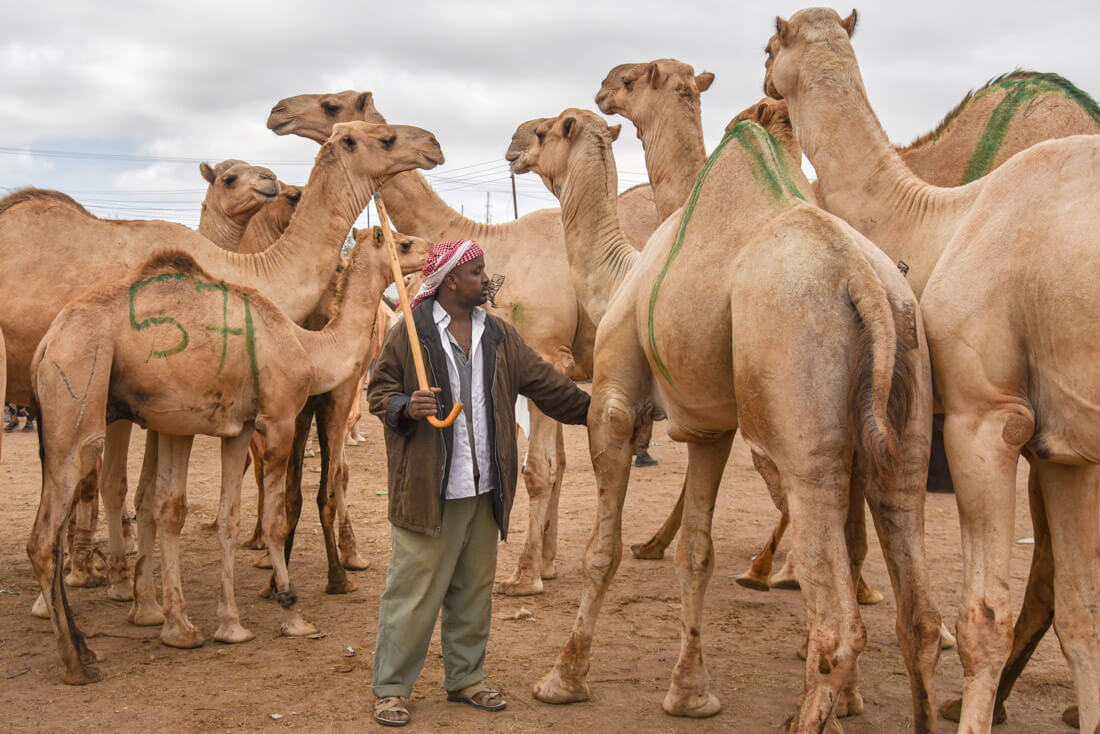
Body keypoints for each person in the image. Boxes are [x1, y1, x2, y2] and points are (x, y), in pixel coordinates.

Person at [367, 239, 590, 727]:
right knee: (413, 593)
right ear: (450, 281)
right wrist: (406, 407)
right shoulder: (411, 333)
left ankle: (466, 679)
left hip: (484, 486)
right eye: (476, 272)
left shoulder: (500, 336)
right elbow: (378, 391)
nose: (485, 280)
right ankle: (391, 688)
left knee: (473, 590)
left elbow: (547, 386)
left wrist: (599, 413)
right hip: (429, 491)